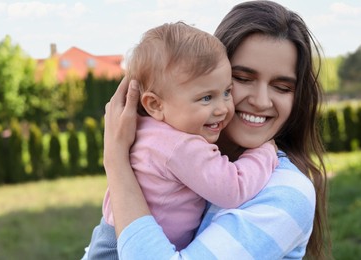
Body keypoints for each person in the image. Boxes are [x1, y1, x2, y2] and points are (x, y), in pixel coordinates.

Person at [94, 1, 331, 259]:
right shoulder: (184, 145)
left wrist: (116, 161)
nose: (262, 101)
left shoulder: (287, 193)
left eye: (282, 87)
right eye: (241, 78)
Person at [85, 21, 279, 258]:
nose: (222, 108)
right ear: (155, 104)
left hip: (111, 236)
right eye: (206, 98)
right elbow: (233, 188)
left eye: (227, 92)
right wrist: (264, 152)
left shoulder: (145, 127)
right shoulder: (182, 146)